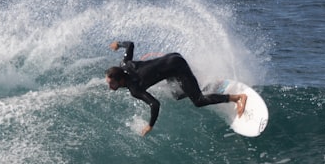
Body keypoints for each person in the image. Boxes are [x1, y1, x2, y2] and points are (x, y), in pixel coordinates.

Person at [105, 41, 247, 136]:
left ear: (121, 80)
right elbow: (130, 45)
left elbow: (155, 104)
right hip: (171, 58)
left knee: (198, 101)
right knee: (177, 95)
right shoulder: (124, 64)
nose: (110, 87)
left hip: (177, 66)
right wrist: (118, 44)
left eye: (112, 84)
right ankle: (210, 86)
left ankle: (237, 97)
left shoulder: (135, 89)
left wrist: (150, 125)